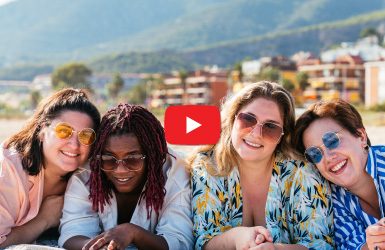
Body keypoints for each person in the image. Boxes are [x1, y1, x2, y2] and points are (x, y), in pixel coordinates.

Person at [189, 81, 335, 250]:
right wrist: (238, 237)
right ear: (233, 119)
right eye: (248, 119)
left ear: (282, 135)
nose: (256, 134)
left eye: (270, 127)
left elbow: (320, 245)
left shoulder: (301, 173)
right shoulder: (208, 167)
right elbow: (204, 242)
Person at [59, 103, 193, 250]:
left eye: (132, 159)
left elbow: (179, 242)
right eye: (109, 159)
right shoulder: (87, 174)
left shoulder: (175, 175)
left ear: (152, 158)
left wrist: (133, 232)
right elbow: (72, 232)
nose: (120, 170)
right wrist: (98, 247)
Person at [0, 88, 101, 248]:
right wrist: (44, 220)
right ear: (42, 131)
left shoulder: (90, 177)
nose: (74, 145)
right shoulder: (9, 169)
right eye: (64, 131)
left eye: (86, 136)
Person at [292, 99, 385, 250]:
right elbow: (350, 244)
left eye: (332, 140)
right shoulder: (331, 199)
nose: (328, 157)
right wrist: (373, 244)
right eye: (315, 153)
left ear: (361, 136)